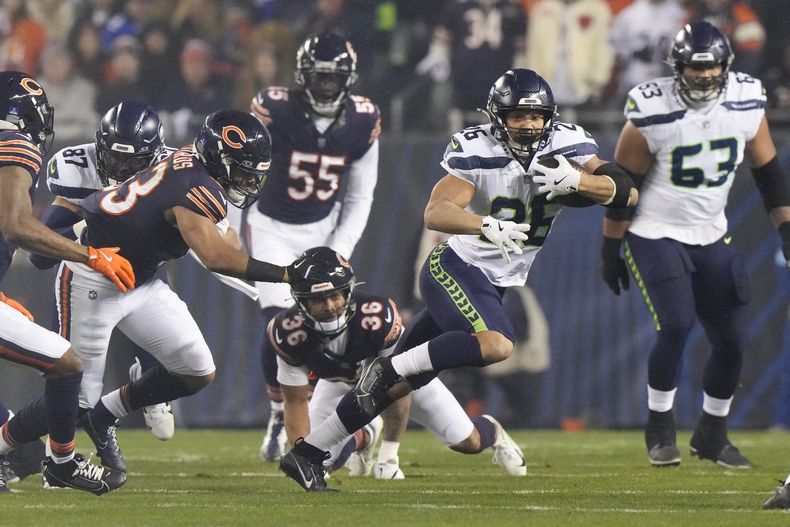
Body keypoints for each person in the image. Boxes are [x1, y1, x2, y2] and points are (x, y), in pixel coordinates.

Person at [277, 68, 638, 491]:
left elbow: (626, 191)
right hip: (454, 267)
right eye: (517, 116)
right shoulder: (478, 147)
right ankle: (390, 365)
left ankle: (307, 454)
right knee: (497, 344)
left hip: (494, 280)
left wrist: (580, 180)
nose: (527, 124)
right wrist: (483, 224)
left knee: (391, 388)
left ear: (550, 116)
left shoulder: (567, 143)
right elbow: (436, 212)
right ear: (496, 117)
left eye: (536, 116)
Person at [8, 109, 297, 477]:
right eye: (240, 172)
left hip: (140, 280)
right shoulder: (192, 180)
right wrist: (285, 274)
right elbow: (216, 257)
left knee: (196, 369)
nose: (245, 182)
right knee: (73, 393)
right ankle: (10, 448)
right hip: (91, 277)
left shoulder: (192, 164)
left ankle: (105, 416)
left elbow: (221, 244)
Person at [599, 21, 790, 468]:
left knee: (731, 339)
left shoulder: (745, 102)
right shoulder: (651, 110)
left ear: (726, 66)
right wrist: (610, 248)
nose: (704, 75)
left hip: (710, 231)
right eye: (695, 67)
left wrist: (784, 226)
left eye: (712, 67)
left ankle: (711, 433)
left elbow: (770, 174)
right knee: (678, 324)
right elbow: (623, 187)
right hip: (654, 230)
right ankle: (660, 426)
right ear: (677, 68)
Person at [271, 247, 526, 487]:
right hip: (338, 383)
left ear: (347, 291)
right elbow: (294, 402)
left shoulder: (375, 317)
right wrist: (301, 452)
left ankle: (493, 431)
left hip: (404, 382)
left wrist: (389, 455)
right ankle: (366, 432)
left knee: (467, 441)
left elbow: (396, 383)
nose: (329, 306)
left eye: (334, 296)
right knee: (323, 460)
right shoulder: (289, 333)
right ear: (301, 302)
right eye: (318, 299)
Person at [247, 32, 381, 462]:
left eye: (333, 78)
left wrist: (339, 248)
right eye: (319, 77)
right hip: (271, 229)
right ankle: (277, 408)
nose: (325, 86)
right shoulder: (276, 107)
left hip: (322, 233)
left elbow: (361, 196)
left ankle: (331, 415)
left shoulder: (363, 119)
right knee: (279, 325)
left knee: (328, 325)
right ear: (304, 76)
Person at [0, 70, 132, 495]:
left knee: (21, 452)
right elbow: (17, 226)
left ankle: (31, 458)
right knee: (66, 364)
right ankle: (63, 464)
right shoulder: (14, 143)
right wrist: (88, 253)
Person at [29, 101, 177, 443]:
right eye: (116, 158)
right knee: (68, 375)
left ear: (154, 157)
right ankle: (58, 455)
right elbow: (40, 251)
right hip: (82, 269)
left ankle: (148, 376)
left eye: (134, 162)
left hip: (138, 267)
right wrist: (91, 227)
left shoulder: (174, 169)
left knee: (176, 363)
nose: (124, 169)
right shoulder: (76, 166)